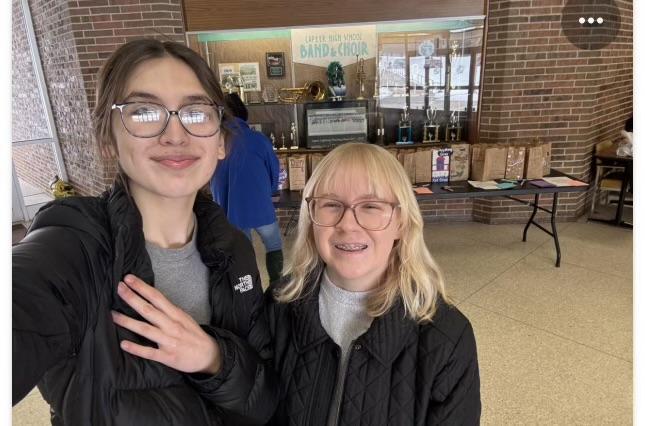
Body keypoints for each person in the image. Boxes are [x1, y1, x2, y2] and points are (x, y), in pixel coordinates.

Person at [13, 39, 278, 425]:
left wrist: (213, 358)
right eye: (144, 112)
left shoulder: (233, 248)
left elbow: (264, 400)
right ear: (108, 139)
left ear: (220, 141)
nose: (175, 135)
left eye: (196, 112)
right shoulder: (73, 246)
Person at [266, 143, 481, 425]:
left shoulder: (447, 336)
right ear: (311, 218)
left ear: (401, 222)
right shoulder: (277, 305)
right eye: (331, 205)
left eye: (370, 206)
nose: (348, 224)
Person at [210, 93, 283, 284]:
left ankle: (250, 288)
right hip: (260, 206)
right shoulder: (259, 140)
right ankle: (276, 286)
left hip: (229, 209)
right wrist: (270, 191)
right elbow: (274, 170)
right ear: (243, 112)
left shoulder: (214, 143)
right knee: (273, 244)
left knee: (243, 251)